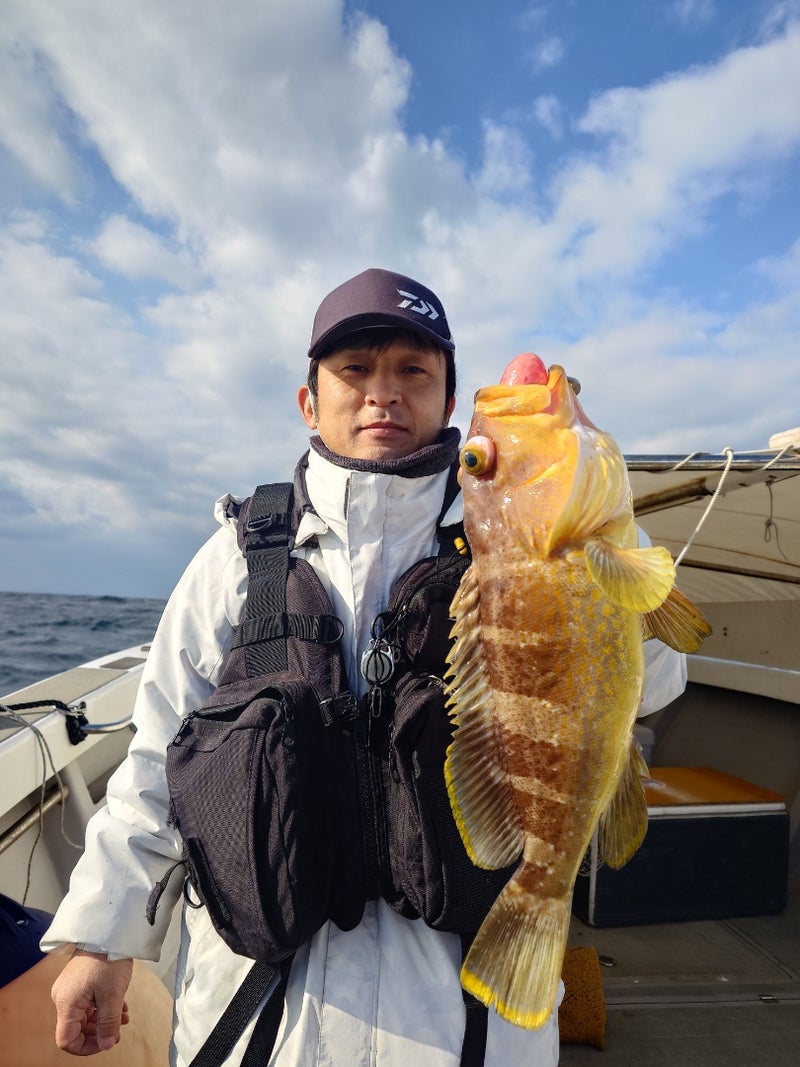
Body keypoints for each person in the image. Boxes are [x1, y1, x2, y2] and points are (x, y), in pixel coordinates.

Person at [43, 268, 686, 1066]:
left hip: (465, 1026)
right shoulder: (238, 560)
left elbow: (654, 683)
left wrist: (607, 536)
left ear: (449, 402)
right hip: (262, 1018)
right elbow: (158, 756)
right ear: (309, 402)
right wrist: (101, 939)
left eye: (413, 369)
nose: (384, 392)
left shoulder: (512, 536)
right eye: (355, 370)